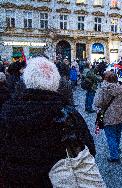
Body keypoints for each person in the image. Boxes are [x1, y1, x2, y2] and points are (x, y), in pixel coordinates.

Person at [0, 57, 96, 187]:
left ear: (26, 81)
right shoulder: (67, 115)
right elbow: (89, 150)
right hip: (55, 182)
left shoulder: (6, 112)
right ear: (56, 84)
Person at [94, 71, 122, 163]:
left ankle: (114, 156)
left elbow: (97, 103)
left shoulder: (102, 89)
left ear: (105, 79)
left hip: (108, 116)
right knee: (117, 134)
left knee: (110, 136)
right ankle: (116, 149)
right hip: (120, 115)